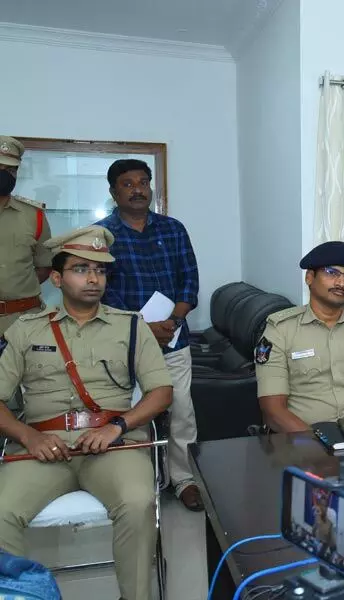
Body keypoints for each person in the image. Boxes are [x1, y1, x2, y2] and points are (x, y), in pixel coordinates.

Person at [0, 225, 173, 600]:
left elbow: (161, 392)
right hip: (43, 447)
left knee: (137, 501)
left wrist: (117, 427)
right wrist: (28, 436)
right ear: (57, 278)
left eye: (101, 270)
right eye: (82, 269)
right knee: (1, 510)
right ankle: (18, 595)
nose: (94, 278)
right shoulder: (26, 330)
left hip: (113, 444)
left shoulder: (131, 326)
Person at [96, 159, 203, 512]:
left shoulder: (173, 229)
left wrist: (173, 321)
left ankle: (184, 479)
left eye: (144, 182)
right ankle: (139, 482)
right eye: (128, 184)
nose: (138, 189)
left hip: (173, 340)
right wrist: (142, 329)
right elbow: (101, 293)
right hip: (124, 345)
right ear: (114, 192)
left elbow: (190, 280)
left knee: (182, 411)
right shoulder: (101, 237)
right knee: (130, 412)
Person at [256, 241, 344, 431]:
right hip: (302, 444)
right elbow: (273, 409)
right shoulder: (280, 330)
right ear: (309, 277)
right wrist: (318, 445)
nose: (342, 283)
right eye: (332, 273)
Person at [0, 136, 53, 336]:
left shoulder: (34, 215)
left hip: (24, 322)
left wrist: (16, 289)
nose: (4, 175)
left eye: (11, 170)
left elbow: (44, 267)